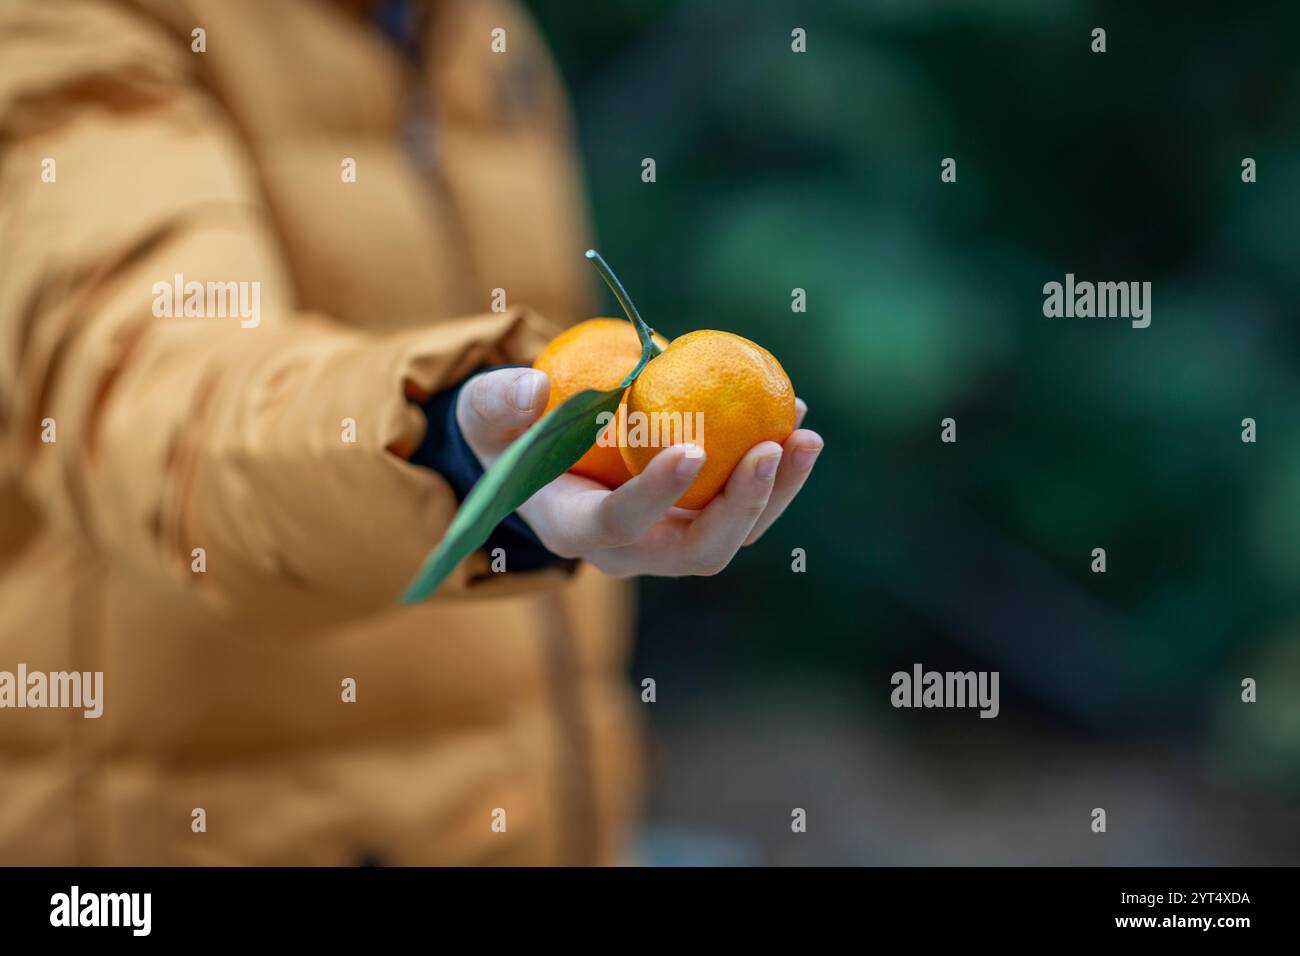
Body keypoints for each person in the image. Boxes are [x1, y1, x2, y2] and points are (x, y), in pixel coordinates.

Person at [0, 0, 822, 864]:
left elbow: (590, 389)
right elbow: (164, 406)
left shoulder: (471, 29)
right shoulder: (68, 23)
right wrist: (445, 442)